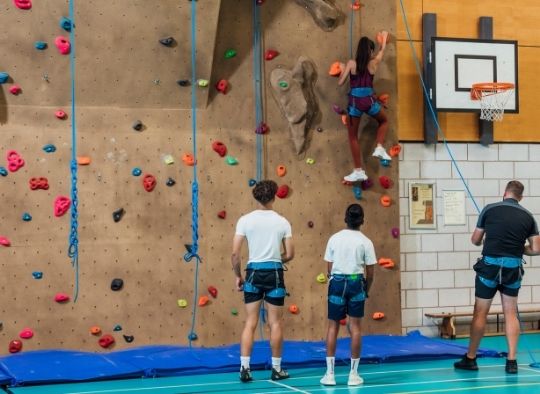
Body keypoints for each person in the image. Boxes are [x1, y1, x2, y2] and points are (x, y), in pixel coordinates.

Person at [454, 180, 540, 374]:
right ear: (521, 197)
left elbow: (475, 240)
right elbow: (537, 249)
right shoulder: (528, 216)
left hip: (489, 269)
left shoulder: (489, 209)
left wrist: (486, 240)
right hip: (512, 270)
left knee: (480, 314)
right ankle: (511, 361)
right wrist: (521, 249)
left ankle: (471, 358)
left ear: (504, 193)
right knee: (510, 313)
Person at [231, 180, 295, 383]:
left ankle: (245, 368)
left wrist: (238, 275)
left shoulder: (245, 220)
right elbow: (290, 254)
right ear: (274, 196)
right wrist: (276, 258)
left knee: (250, 322)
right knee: (275, 322)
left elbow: (235, 254)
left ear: (255, 197)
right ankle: (276, 369)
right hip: (274, 273)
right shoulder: (282, 221)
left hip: (252, 273)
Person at [320, 204, 376, 386]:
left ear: (346, 218)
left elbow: (329, 266)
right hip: (356, 283)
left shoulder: (334, 239)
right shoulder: (365, 242)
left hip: (337, 283)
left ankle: (330, 374)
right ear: (362, 220)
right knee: (355, 328)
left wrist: (333, 280)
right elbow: (371, 272)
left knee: (332, 327)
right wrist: (365, 289)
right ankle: (353, 375)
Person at [338, 32, 390, 183]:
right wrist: (384, 42)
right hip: (369, 101)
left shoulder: (351, 63)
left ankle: (358, 170)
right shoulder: (373, 63)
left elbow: (340, 82)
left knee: (353, 137)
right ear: (370, 51)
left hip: (355, 103)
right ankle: (379, 147)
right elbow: (381, 52)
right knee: (384, 121)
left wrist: (343, 69)